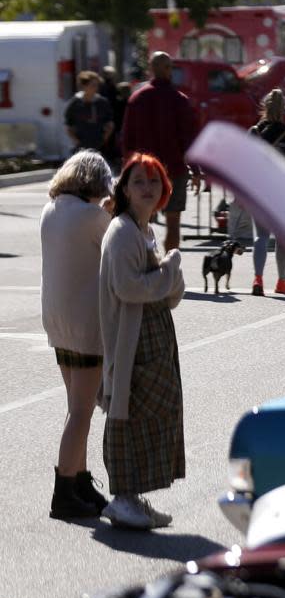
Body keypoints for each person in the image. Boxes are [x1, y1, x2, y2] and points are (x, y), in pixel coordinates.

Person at [98, 153, 186, 530]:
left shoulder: (144, 229)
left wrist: (170, 275)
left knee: (152, 415)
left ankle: (133, 497)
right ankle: (122, 498)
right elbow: (129, 287)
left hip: (151, 335)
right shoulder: (121, 231)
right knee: (129, 414)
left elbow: (166, 293)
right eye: (138, 182)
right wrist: (169, 271)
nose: (147, 188)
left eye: (154, 181)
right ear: (124, 189)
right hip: (131, 340)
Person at [40, 151, 114, 519]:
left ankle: (81, 481)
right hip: (86, 323)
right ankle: (65, 490)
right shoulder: (93, 216)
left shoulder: (52, 210)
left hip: (57, 320)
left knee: (76, 406)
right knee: (82, 411)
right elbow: (119, 248)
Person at [119, 52, 196, 252]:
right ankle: (170, 266)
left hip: (143, 170)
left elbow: (127, 139)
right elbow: (189, 139)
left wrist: (127, 171)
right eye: (170, 67)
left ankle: (145, 264)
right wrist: (196, 170)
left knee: (142, 221)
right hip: (174, 169)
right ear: (168, 70)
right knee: (173, 222)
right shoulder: (180, 100)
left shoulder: (137, 99)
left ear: (150, 69)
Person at [248, 89, 285, 296]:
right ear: (283, 109)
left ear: (265, 108)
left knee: (260, 237)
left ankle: (258, 279)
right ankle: (282, 281)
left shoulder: (254, 132)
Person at [65, 71, 114, 155]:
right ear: (84, 86)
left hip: (99, 147)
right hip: (81, 146)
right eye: (92, 85)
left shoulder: (102, 102)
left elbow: (110, 123)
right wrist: (76, 141)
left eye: (97, 85)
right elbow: (69, 124)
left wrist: (103, 139)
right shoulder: (75, 103)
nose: (96, 88)